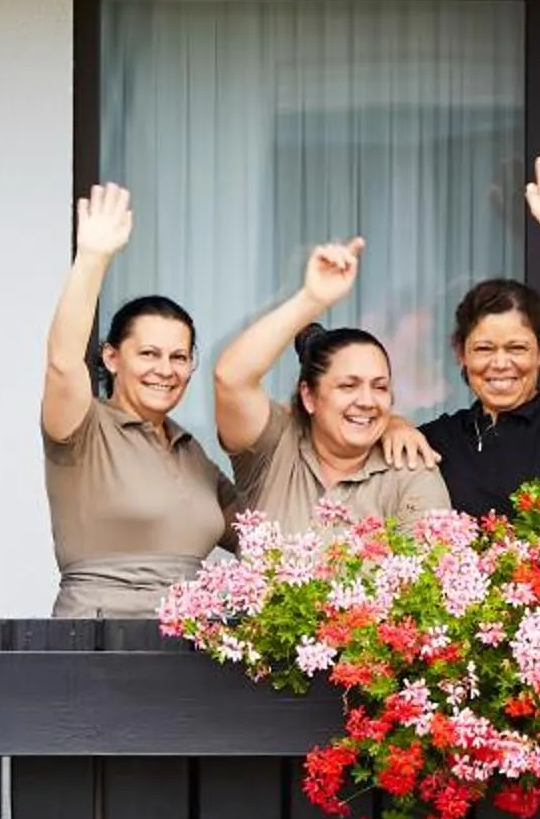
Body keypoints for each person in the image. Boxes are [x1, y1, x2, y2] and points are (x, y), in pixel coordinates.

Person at [40, 181, 228, 619]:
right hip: (100, 645)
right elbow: (63, 362)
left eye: (178, 357)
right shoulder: (83, 428)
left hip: (192, 653)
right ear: (111, 357)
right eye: (148, 353)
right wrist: (92, 259)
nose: (165, 369)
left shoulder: (191, 452)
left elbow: (263, 534)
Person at [420, 151, 540, 518]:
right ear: (460, 354)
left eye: (517, 347)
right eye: (483, 348)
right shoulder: (440, 439)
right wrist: (395, 427)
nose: (500, 363)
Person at [210, 235, 451, 539]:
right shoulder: (274, 446)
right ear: (309, 396)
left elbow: (431, 574)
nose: (367, 400)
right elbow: (231, 378)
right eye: (348, 385)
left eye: (379, 387)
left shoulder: (410, 468)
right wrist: (312, 300)